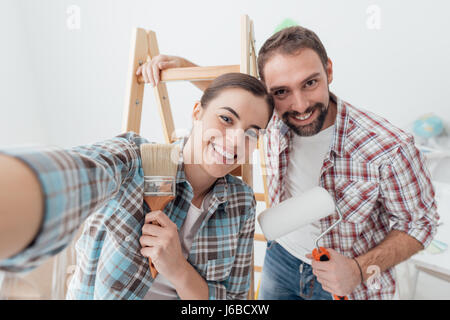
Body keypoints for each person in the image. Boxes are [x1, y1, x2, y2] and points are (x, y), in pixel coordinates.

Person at [145, 26, 440, 300]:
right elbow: (232, 102)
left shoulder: (389, 147)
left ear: (329, 71)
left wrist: (359, 270)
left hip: (351, 279)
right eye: (282, 92)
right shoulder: (268, 117)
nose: (299, 105)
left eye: (310, 83)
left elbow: (421, 223)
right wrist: (182, 66)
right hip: (280, 260)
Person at [0, 72, 274, 299]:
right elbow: (75, 174)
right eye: (226, 119)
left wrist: (179, 270)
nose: (237, 140)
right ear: (197, 112)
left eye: (252, 133)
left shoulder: (242, 203)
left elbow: (236, 302)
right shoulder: (135, 158)